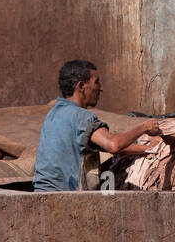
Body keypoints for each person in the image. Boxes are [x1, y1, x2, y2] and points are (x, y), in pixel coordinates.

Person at [34, 59, 160, 192]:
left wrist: (147, 148)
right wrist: (144, 127)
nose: (100, 88)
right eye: (96, 82)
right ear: (81, 86)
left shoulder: (54, 113)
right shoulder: (81, 117)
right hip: (63, 198)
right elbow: (113, 145)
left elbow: (113, 146)